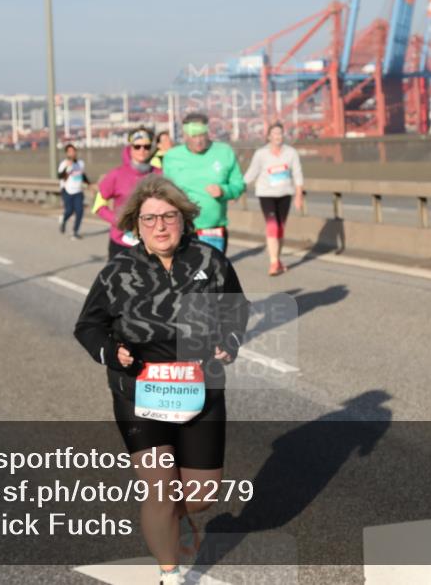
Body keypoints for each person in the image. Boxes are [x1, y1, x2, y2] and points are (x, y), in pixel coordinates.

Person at [74, 175, 249, 585]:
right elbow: (88, 326)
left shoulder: (211, 262)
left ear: (184, 219)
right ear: (136, 225)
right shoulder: (117, 272)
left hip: (200, 389)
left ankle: (170, 520)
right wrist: (110, 352)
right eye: (150, 219)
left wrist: (229, 341)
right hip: (139, 391)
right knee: (160, 490)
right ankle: (169, 574)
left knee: (201, 497)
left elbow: (237, 312)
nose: (160, 226)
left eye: (169, 216)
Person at [163, 113, 245, 253]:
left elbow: (239, 184)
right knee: (185, 273)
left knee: (213, 273)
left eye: (202, 135)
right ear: (185, 135)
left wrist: (224, 191)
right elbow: (164, 191)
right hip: (181, 228)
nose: (199, 140)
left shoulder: (224, 152)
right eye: (194, 136)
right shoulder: (172, 157)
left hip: (213, 229)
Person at [243, 122, 304, 276]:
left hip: (285, 194)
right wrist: (236, 190)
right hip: (266, 194)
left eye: (280, 133)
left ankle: (277, 258)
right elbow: (251, 173)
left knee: (281, 229)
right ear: (269, 136)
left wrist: (298, 196)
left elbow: (297, 174)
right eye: (275, 133)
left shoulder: (291, 153)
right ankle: (273, 262)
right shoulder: (261, 154)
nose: (278, 136)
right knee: (273, 226)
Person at [92, 127, 161, 257]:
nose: (142, 150)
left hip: (151, 243)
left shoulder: (159, 174)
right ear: (130, 147)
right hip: (121, 243)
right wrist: (118, 220)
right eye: (137, 146)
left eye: (146, 147)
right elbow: (98, 205)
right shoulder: (116, 175)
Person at [58, 143, 89, 240]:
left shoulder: (80, 163)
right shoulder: (64, 164)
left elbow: (83, 175)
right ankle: (63, 219)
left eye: (73, 151)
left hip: (78, 191)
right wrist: (67, 168)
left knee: (80, 211)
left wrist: (89, 183)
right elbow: (59, 176)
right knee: (69, 210)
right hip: (67, 190)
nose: (72, 153)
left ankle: (75, 232)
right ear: (67, 153)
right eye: (69, 151)